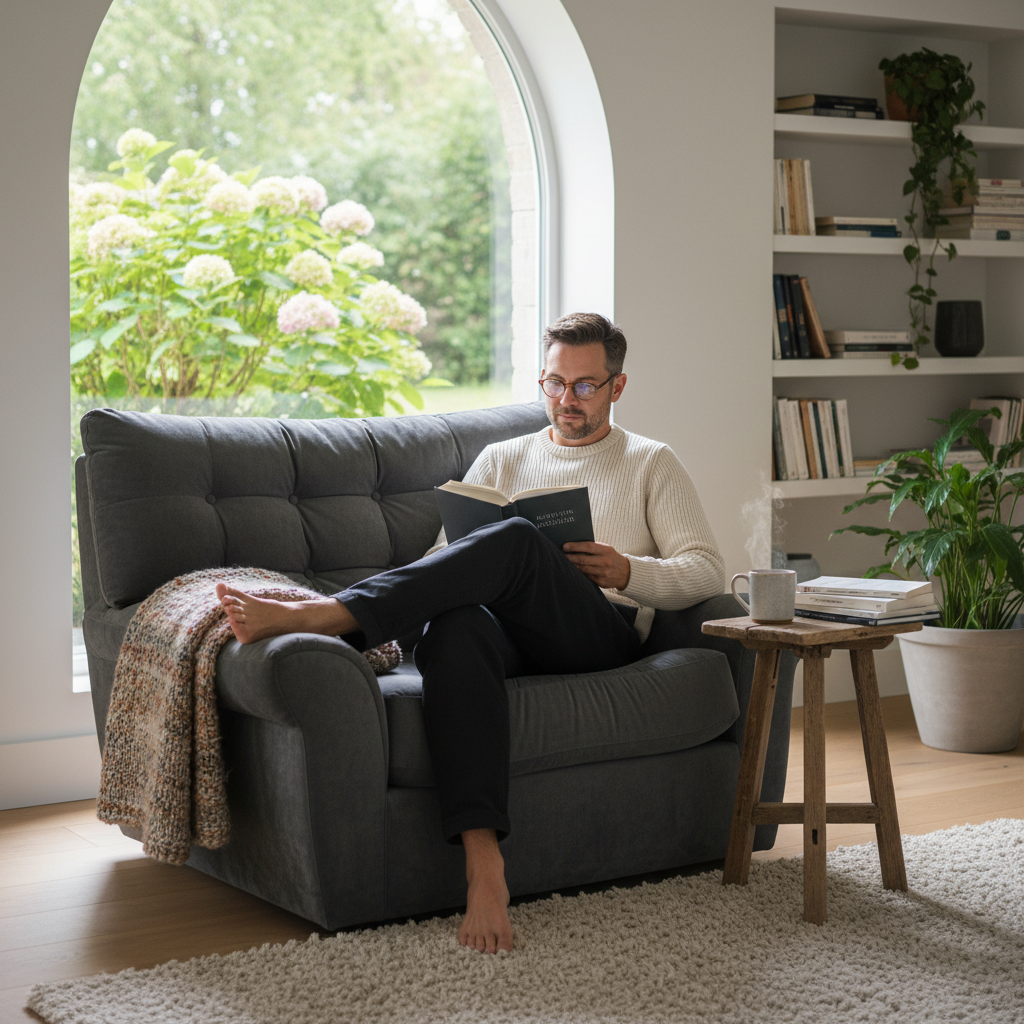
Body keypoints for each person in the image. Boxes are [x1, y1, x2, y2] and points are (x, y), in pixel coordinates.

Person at [216, 312, 725, 954]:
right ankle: (484, 866)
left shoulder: (651, 462)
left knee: (512, 538)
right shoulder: (502, 457)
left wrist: (629, 570)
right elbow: (441, 565)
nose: (566, 400)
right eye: (554, 383)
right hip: (507, 638)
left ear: (617, 388)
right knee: (457, 622)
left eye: (586, 386)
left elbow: (707, 568)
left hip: (597, 632)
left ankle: (335, 614)